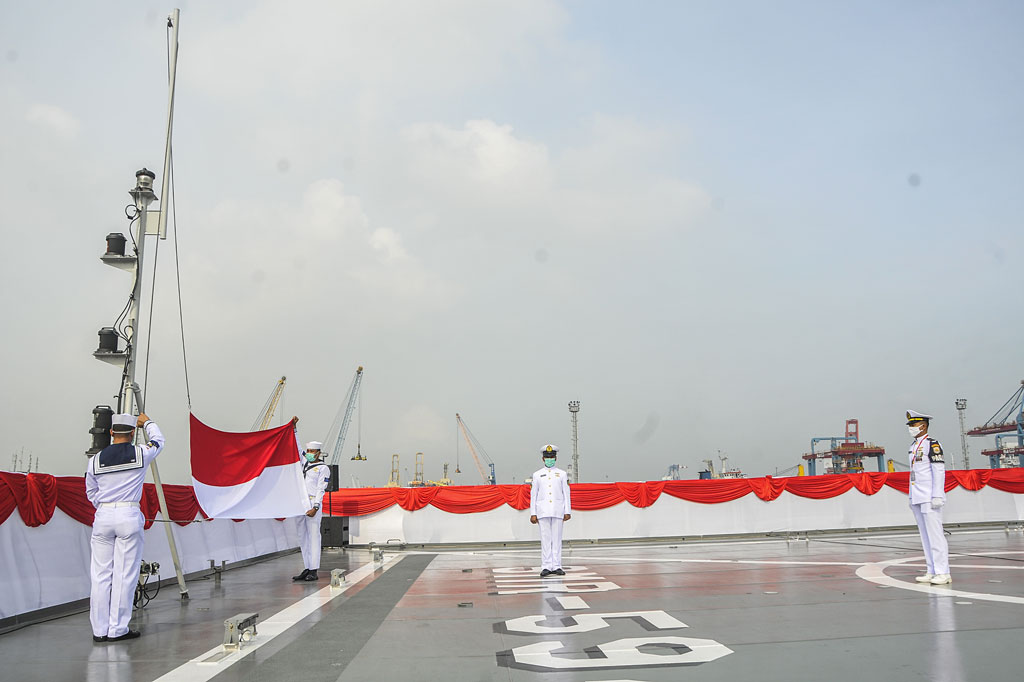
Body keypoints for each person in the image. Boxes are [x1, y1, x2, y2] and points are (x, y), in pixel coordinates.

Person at [85, 412, 165, 642]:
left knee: (100, 575)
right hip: (128, 515)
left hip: (103, 516)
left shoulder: (95, 460)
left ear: (111, 433)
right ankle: (117, 629)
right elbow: (160, 441)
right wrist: (148, 422)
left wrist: (104, 507)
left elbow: (91, 492)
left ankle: (99, 631)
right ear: (132, 434)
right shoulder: (140, 453)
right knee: (124, 575)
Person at [906, 410, 951, 585]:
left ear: (922, 426)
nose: (910, 428)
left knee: (936, 535)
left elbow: (938, 470)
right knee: (925, 536)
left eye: (913, 425)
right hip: (917, 496)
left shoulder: (932, 445)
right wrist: (911, 496)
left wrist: (938, 495)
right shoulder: (913, 446)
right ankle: (931, 570)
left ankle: (943, 572)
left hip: (930, 496)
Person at [529, 444, 572, 577]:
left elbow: (566, 493)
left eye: (552, 457)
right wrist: (533, 513)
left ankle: (557, 566)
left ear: (555, 458)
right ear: (543, 459)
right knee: (545, 539)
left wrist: (567, 511)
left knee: (557, 539)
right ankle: (546, 566)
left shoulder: (562, 474)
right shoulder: (537, 475)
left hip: (558, 510)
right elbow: (534, 494)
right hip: (542, 511)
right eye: (547, 457)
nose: (549, 459)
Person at [293, 440, 331, 581]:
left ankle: (314, 570)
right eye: (308, 451)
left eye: (312, 451)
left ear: (319, 453)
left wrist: (316, 507)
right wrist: (294, 429)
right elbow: (297, 447)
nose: (309, 454)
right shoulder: (305, 462)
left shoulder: (323, 468)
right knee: (302, 537)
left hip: (313, 502)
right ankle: (307, 567)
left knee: (314, 537)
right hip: (300, 503)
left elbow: (321, 489)